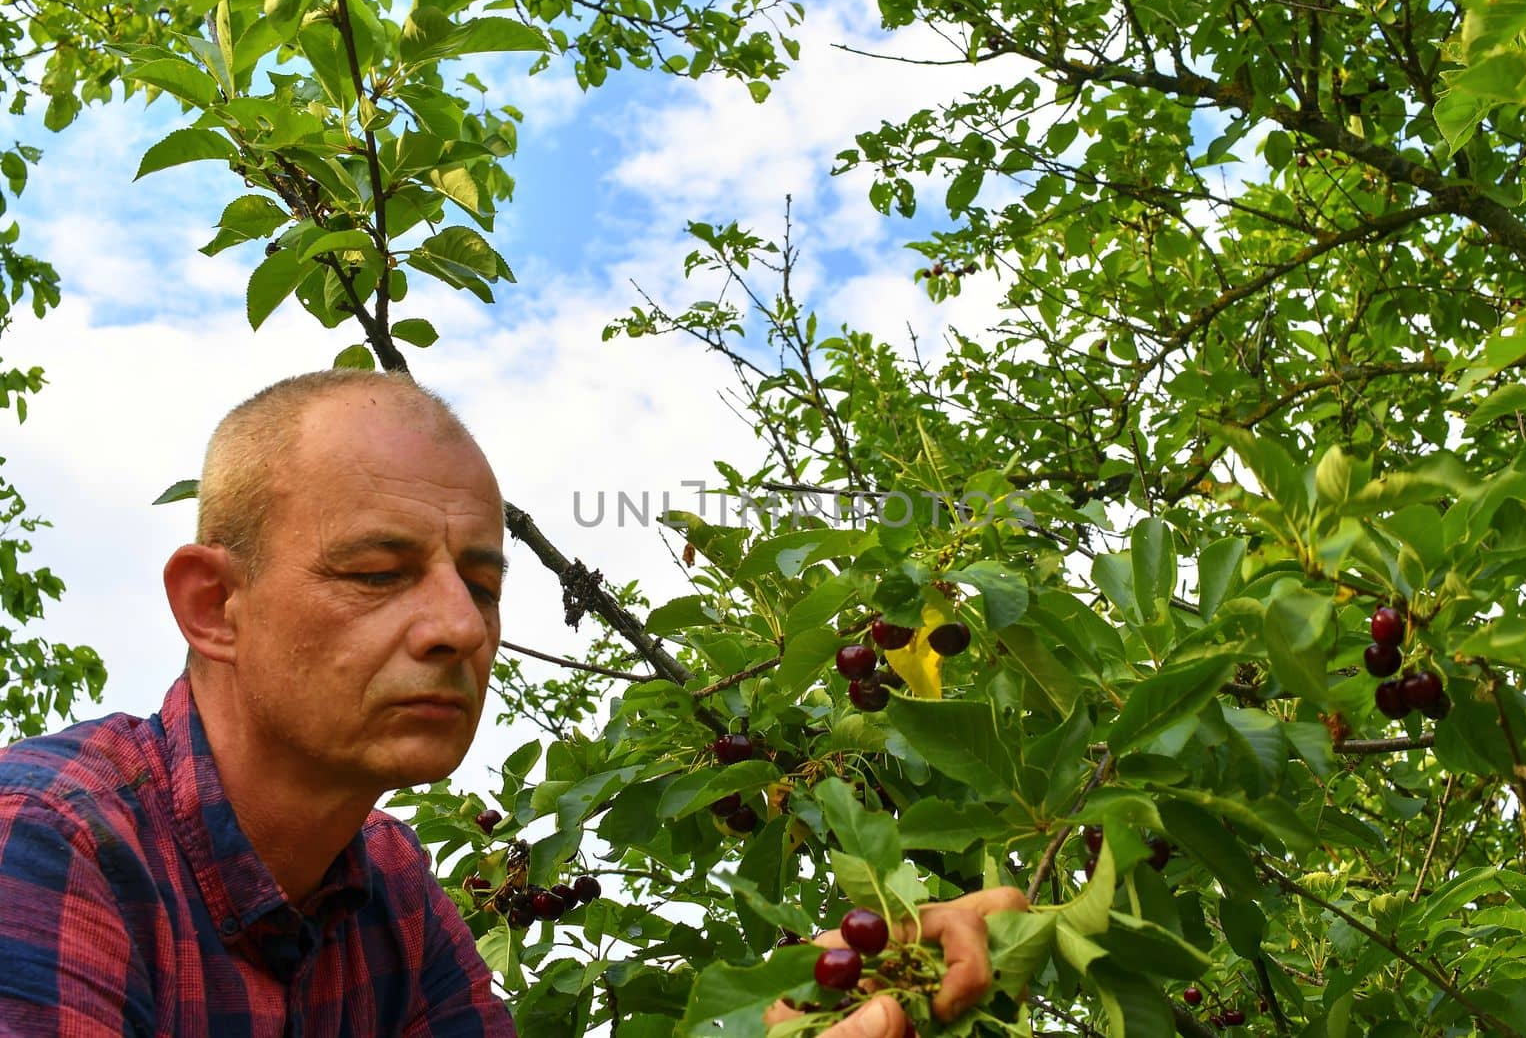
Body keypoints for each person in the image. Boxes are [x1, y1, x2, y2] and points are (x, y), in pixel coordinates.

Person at [0, 369, 1017, 1037]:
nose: (461, 626)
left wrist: (820, 1002)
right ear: (215, 604)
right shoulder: (47, 842)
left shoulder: (387, 884)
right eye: (377, 571)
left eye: (480, 582)